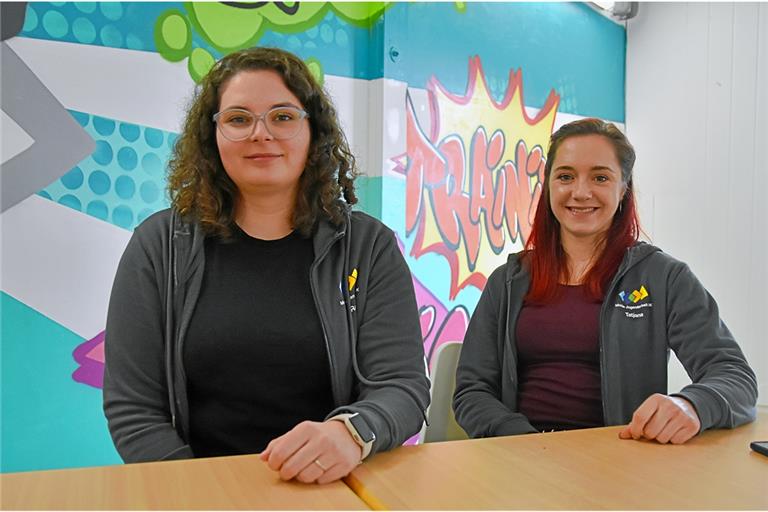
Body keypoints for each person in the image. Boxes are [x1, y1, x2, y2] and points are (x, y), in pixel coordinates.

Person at [103, 47, 430, 484]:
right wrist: (193, 490)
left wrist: (351, 433)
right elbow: (134, 407)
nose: (261, 134)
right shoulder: (159, 246)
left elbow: (402, 387)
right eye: (239, 119)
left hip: (334, 486)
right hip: (196, 491)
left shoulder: (368, 248)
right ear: (212, 136)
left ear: (313, 132)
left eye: (282, 116)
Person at [453, 118, 757, 445]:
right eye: (566, 176)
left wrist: (691, 404)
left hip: (620, 461)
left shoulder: (664, 277)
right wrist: (526, 442)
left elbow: (735, 377)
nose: (581, 192)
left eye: (600, 177)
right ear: (549, 185)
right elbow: (472, 391)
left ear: (623, 187)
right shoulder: (508, 281)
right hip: (520, 457)